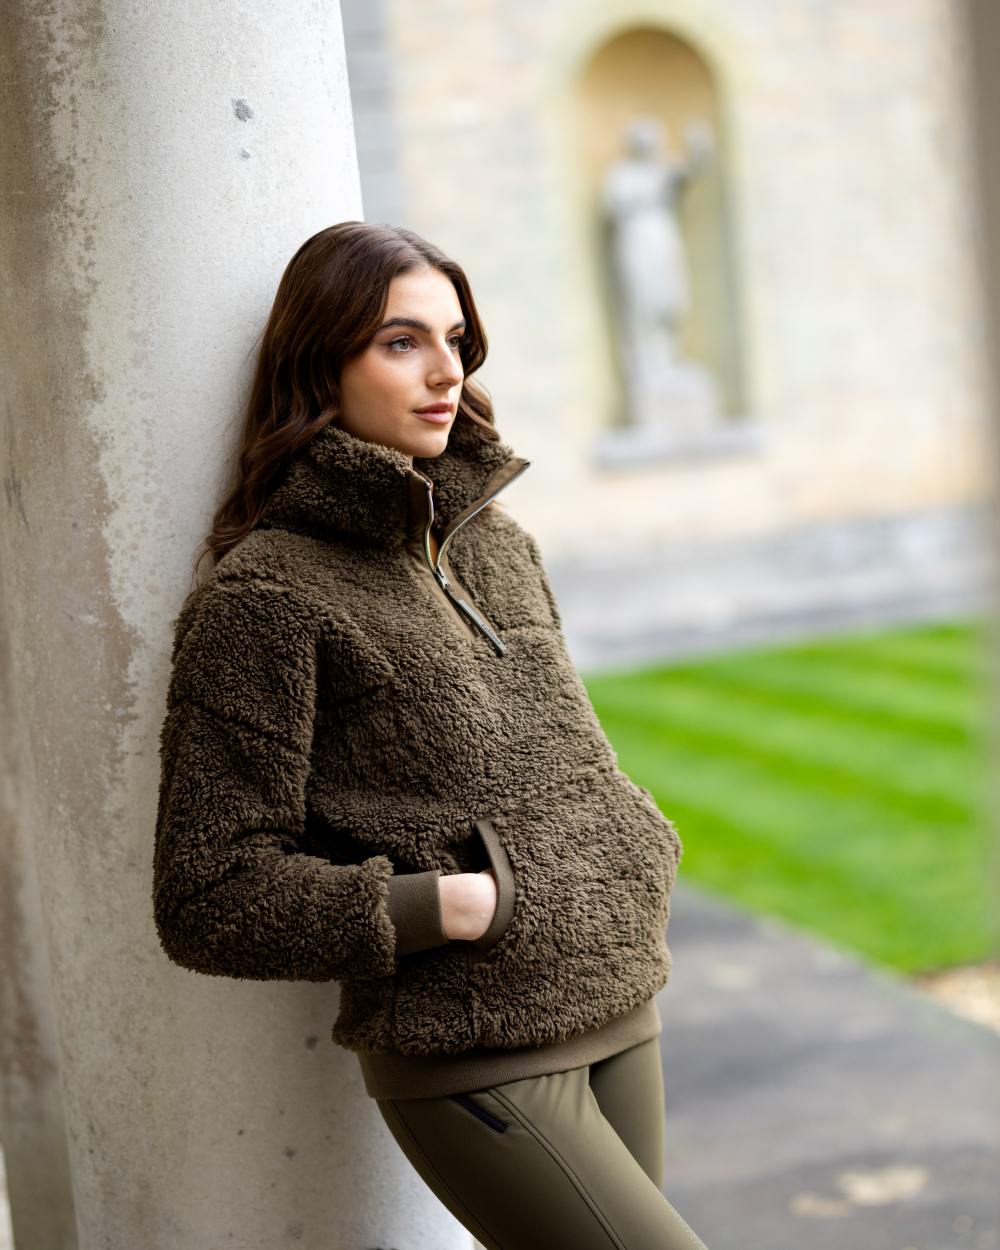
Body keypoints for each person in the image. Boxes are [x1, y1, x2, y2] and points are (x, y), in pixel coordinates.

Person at [152, 220, 711, 1250]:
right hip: (476, 1045)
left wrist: (633, 840)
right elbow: (207, 891)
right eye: (400, 341)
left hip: (619, 995)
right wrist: (441, 905)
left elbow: (565, 755)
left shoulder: (498, 542)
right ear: (319, 359)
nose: (443, 371)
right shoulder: (264, 596)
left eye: (456, 340)